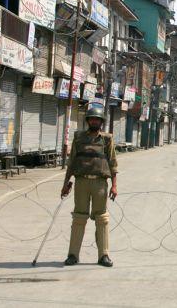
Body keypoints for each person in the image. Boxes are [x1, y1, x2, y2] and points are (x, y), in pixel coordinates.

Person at [61, 107, 118, 267]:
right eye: (92, 119)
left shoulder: (106, 139)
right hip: (81, 182)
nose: (94, 121)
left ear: (101, 122)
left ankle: (104, 255)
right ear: (88, 121)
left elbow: (113, 163)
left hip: (100, 183)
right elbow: (71, 162)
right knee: (79, 217)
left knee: (102, 219)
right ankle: (73, 255)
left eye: (97, 119)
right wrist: (65, 183)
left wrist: (114, 186)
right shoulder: (79, 137)